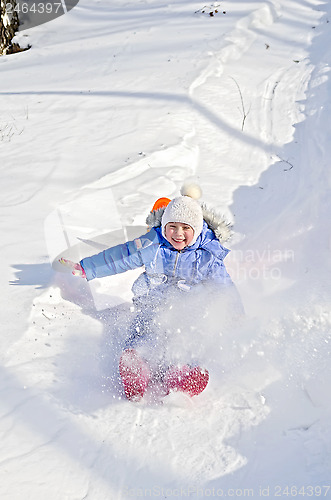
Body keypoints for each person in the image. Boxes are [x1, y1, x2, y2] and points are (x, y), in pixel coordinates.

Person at [59, 184, 238, 401]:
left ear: (198, 229)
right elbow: (120, 257)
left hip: (188, 311)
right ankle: (136, 366)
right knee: (144, 329)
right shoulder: (152, 244)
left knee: (188, 338)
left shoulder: (208, 256)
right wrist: (88, 268)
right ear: (164, 225)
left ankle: (182, 374)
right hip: (153, 303)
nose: (178, 234)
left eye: (185, 228)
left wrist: (235, 314)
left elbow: (225, 289)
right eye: (172, 227)